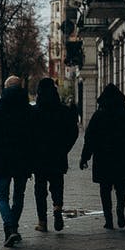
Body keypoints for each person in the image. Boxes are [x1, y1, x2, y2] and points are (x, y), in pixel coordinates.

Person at [79, 83, 125, 229]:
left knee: (105, 188)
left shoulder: (98, 115)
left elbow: (89, 139)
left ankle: (108, 219)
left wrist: (85, 158)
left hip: (103, 157)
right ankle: (120, 208)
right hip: (121, 156)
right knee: (121, 186)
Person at [0, 75, 34, 247]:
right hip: (22, 159)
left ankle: (9, 228)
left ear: (5, 88)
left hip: (2, 158)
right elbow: (34, 137)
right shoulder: (28, 110)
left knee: (2, 197)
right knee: (19, 196)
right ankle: (13, 227)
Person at [31, 77, 79, 232]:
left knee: (40, 189)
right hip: (58, 155)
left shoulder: (35, 112)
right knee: (57, 184)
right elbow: (73, 132)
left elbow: (27, 134)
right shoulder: (63, 111)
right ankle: (57, 208)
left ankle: (42, 221)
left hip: (38, 156)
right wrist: (65, 148)